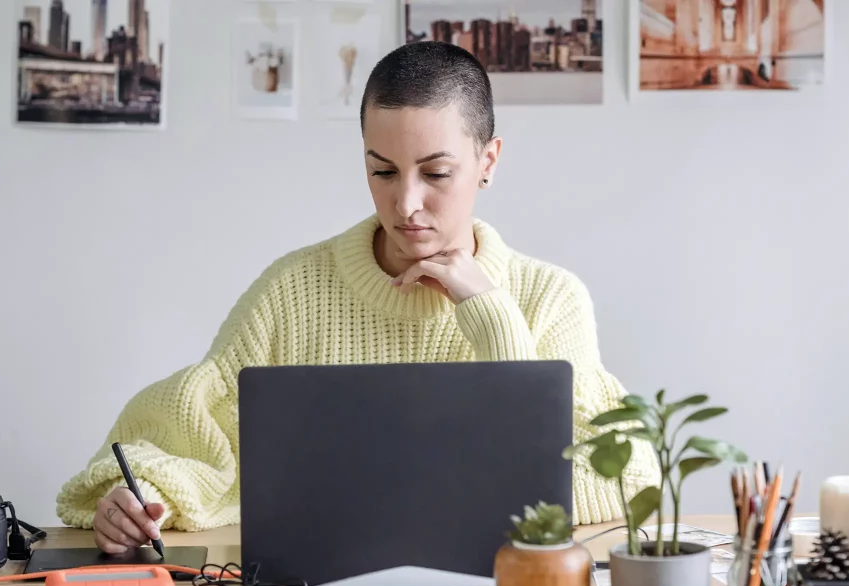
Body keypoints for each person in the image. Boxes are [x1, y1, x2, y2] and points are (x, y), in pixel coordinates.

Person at [56, 41, 659, 555]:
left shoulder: (550, 297)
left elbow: (623, 480)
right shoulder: (293, 290)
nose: (407, 204)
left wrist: (490, 308)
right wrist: (138, 500)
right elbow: (195, 436)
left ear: (487, 162)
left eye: (436, 173)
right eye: (384, 171)